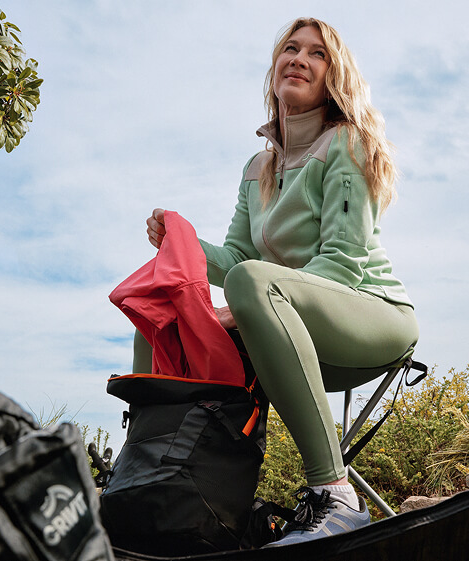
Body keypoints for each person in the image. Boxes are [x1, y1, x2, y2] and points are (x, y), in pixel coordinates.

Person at [141, 17, 418, 546]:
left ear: (333, 78)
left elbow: (341, 264)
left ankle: (335, 495)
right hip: (289, 330)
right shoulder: (257, 167)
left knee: (251, 283)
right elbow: (237, 259)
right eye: (291, 48)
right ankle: (153, 483)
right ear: (274, 69)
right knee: (162, 309)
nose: (299, 59)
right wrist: (182, 241)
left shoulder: (347, 143)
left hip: (371, 316)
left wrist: (248, 305)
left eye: (317, 53)